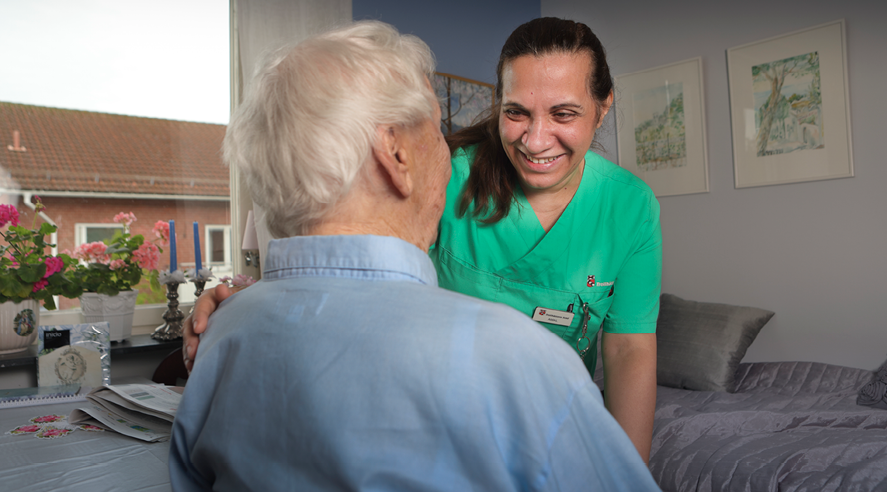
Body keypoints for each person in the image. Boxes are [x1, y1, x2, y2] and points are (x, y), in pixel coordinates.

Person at [168, 20, 660, 491]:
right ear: (396, 155)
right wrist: (265, 295)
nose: (534, 140)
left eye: (564, 113)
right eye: (515, 112)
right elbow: (353, 284)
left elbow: (343, 274)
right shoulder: (523, 358)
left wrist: (252, 309)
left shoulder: (226, 340)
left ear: (602, 107)